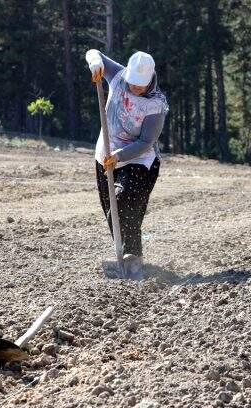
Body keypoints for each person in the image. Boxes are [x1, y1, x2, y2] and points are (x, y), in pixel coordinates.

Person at [86, 48, 169, 279]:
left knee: (125, 202)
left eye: (140, 84)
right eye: (133, 83)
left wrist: (120, 156)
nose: (135, 88)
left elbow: (145, 141)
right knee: (111, 210)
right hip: (105, 153)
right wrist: (95, 63)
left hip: (139, 159)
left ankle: (133, 258)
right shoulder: (117, 76)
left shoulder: (156, 104)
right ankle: (124, 256)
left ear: (151, 78)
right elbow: (95, 53)